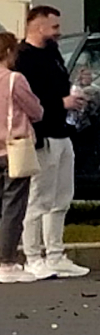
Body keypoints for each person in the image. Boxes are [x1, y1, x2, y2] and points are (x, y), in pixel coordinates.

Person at [15, 6, 89, 279]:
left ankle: (55, 254)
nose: (59, 32)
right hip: (41, 135)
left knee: (61, 198)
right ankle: (32, 255)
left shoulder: (52, 53)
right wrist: (61, 103)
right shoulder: (23, 59)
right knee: (38, 199)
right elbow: (28, 101)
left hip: (62, 132)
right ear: (38, 27)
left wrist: (74, 94)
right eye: (54, 27)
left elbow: (58, 86)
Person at [0, 33, 43, 284]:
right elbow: (36, 111)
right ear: (8, 53)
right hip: (13, 149)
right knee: (13, 207)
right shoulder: (15, 79)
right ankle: (5, 261)